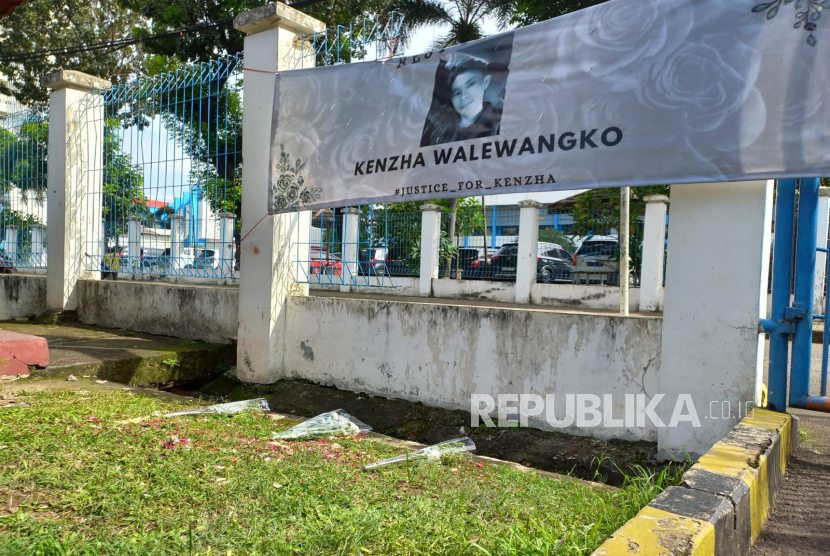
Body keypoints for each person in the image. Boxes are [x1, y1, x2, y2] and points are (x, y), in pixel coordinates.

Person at [421, 57, 503, 147]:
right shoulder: (442, 122)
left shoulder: (500, 123)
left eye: (470, 84)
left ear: (485, 82)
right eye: (457, 92)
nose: (463, 96)